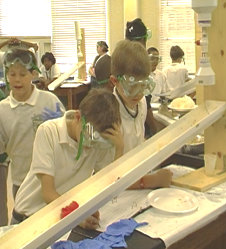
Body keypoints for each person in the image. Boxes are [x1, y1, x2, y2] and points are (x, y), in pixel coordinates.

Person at [12, 88, 123, 228]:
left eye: (99, 142)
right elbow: (48, 193)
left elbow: (108, 185)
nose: (91, 146)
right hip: (28, 218)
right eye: (89, 137)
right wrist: (78, 216)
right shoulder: (49, 131)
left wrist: (119, 148)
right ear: (78, 117)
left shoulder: (98, 142)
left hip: (61, 218)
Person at [0, 48, 65, 204]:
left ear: (34, 74)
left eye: (23, 74)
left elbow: (66, 136)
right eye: (12, 74)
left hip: (54, 179)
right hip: (21, 182)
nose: (17, 80)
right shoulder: (2, 110)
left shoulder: (49, 101)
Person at [110, 39, 173, 188]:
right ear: (114, 81)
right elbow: (107, 179)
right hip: (116, 193)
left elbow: (137, 140)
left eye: (144, 85)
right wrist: (151, 181)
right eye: (132, 87)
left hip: (137, 178)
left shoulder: (141, 102)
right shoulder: (108, 115)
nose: (138, 93)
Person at [125, 18, 158, 137]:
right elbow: (145, 102)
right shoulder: (140, 63)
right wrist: (156, 131)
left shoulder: (122, 59)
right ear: (144, 40)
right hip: (135, 124)